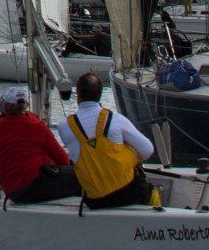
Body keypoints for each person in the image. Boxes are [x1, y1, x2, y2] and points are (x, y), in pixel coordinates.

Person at [59, 72, 156, 209]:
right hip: (128, 192)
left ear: (78, 95)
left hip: (95, 200)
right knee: (152, 194)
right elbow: (148, 150)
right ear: (100, 94)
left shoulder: (64, 126)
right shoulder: (116, 119)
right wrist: (130, 158)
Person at [0, 86, 78, 207]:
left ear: (5, 106)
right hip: (33, 188)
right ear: (26, 104)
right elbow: (62, 160)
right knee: (80, 175)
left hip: (12, 192)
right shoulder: (36, 125)